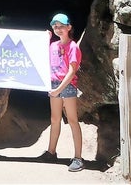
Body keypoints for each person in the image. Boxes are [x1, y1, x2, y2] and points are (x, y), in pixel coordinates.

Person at [37, 13, 84, 172]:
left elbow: (72, 71)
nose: (58, 29)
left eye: (61, 26)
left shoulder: (73, 47)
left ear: (69, 27)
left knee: (72, 120)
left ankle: (78, 158)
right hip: (54, 83)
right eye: (55, 26)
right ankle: (51, 152)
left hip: (67, 85)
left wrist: (58, 89)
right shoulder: (53, 46)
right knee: (55, 119)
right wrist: (45, 39)